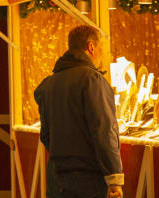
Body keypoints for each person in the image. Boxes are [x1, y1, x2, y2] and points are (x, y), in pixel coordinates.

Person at [34, 25, 123, 198]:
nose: (102, 54)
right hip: (88, 180)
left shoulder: (49, 83)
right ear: (91, 47)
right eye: (101, 48)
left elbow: (45, 135)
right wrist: (114, 177)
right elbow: (104, 131)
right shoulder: (93, 80)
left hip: (56, 177)